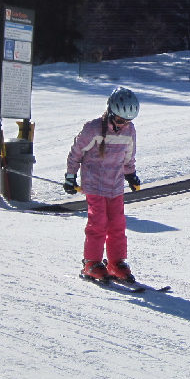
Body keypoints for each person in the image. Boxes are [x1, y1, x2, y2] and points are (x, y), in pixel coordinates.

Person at [65, 87, 143, 284]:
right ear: (110, 113)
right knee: (98, 222)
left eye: (127, 121)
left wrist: (131, 175)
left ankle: (116, 263)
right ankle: (92, 263)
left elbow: (128, 156)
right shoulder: (92, 129)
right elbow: (76, 152)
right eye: (119, 120)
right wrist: (70, 175)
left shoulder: (129, 131)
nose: (123, 125)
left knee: (117, 224)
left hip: (115, 185)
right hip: (94, 184)